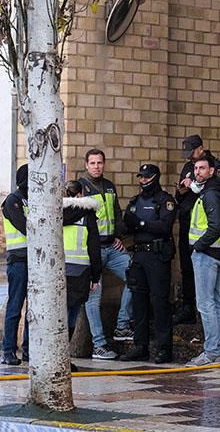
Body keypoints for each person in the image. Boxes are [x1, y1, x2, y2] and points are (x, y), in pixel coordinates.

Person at [119, 164, 177, 364]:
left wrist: (141, 224)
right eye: (141, 177)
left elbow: (165, 226)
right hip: (139, 255)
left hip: (157, 256)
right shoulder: (135, 202)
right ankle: (140, 346)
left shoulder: (165, 201)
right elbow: (127, 226)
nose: (143, 180)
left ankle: (164, 348)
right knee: (138, 302)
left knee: (160, 302)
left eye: (146, 177)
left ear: (155, 177)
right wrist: (126, 224)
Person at [79, 148, 133, 359]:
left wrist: (118, 236)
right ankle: (99, 345)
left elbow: (117, 214)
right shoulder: (81, 187)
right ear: (86, 165)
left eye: (100, 163)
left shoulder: (109, 186)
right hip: (92, 250)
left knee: (136, 277)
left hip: (112, 247)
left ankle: (121, 326)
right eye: (92, 163)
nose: (97, 166)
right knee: (94, 297)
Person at [173, 134, 220, 325]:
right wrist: (181, 191)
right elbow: (179, 197)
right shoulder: (189, 167)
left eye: (192, 153)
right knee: (186, 267)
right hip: (188, 222)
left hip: (206, 230)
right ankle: (188, 306)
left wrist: (194, 186)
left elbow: (218, 189)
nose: (190, 159)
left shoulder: (215, 167)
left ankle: (208, 331)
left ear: (201, 149)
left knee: (209, 292)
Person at [185, 154, 220, 367]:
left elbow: (215, 227)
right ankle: (215, 350)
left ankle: (211, 351)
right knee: (215, 302)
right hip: (216, 253)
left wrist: (198, 246)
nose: (198, 172)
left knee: (205, 304)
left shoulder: (211, 194)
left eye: (202, 168)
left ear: (211, 171)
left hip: (207, 254)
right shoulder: (217, 191)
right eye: (196, 169)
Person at [62, 182, 103, 342]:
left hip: (58, 270)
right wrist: (95, 277)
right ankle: (65, 349)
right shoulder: (87, 214)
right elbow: (94, 247)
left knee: (59, 312)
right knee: (72, 313)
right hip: (80, 271)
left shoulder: (55, 212)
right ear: (80, 195)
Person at [0, 164, 30, 365]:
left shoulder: (33, 199)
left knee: (34, 310)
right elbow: (24, 226)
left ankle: (29, 350)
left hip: (35, 261)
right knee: (15, 307)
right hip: (19, 261)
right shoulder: (13, 200)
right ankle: (9, 350)